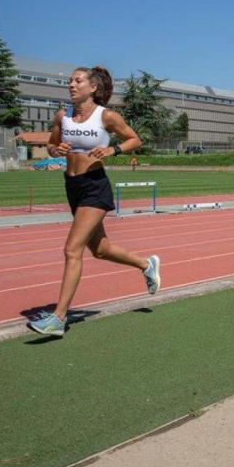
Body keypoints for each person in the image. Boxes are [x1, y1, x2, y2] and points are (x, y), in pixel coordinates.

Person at [28, 66, 161, 336]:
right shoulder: (62, 116)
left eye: (78, 81)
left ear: (93, 88)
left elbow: (135, 139)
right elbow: (52, 145)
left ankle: (58, 318)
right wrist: (56, 148)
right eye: (69, 81)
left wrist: (113, 149)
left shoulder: (106, 116)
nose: (71, 85)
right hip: (72, 186)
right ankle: (146, 265)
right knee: (100, 249)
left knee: (72, 249)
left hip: (95, 187)